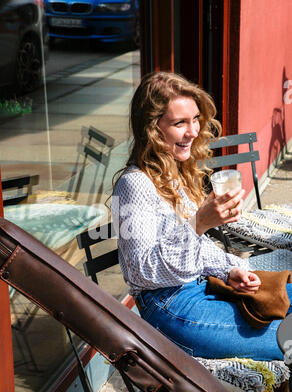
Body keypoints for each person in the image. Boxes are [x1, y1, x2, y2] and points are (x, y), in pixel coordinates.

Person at [111, 71, 292, 363]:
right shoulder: (134, 185)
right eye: (180, 122)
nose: (193, 131)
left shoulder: (174, 173)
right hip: (170, 309)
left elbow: (196, 248)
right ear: (152, 128)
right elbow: (141, 272)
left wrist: (230, 269)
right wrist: (200, 223)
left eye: (195, 119)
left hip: (199, 288)